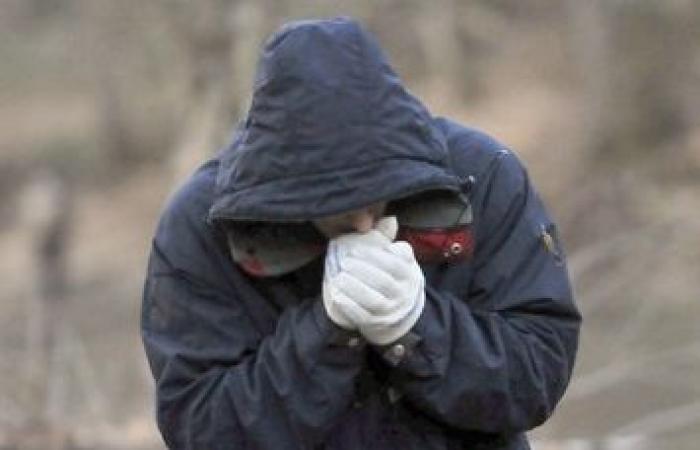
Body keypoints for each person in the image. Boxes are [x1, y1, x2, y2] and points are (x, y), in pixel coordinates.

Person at [141, 17, 581, 450]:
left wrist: (416, 327)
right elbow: (198, 428)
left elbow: (539, 373)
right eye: (337, 209)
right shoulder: (200, 226)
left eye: (378, 199)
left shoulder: (481, 178)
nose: (364, 225)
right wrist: (327, 333)